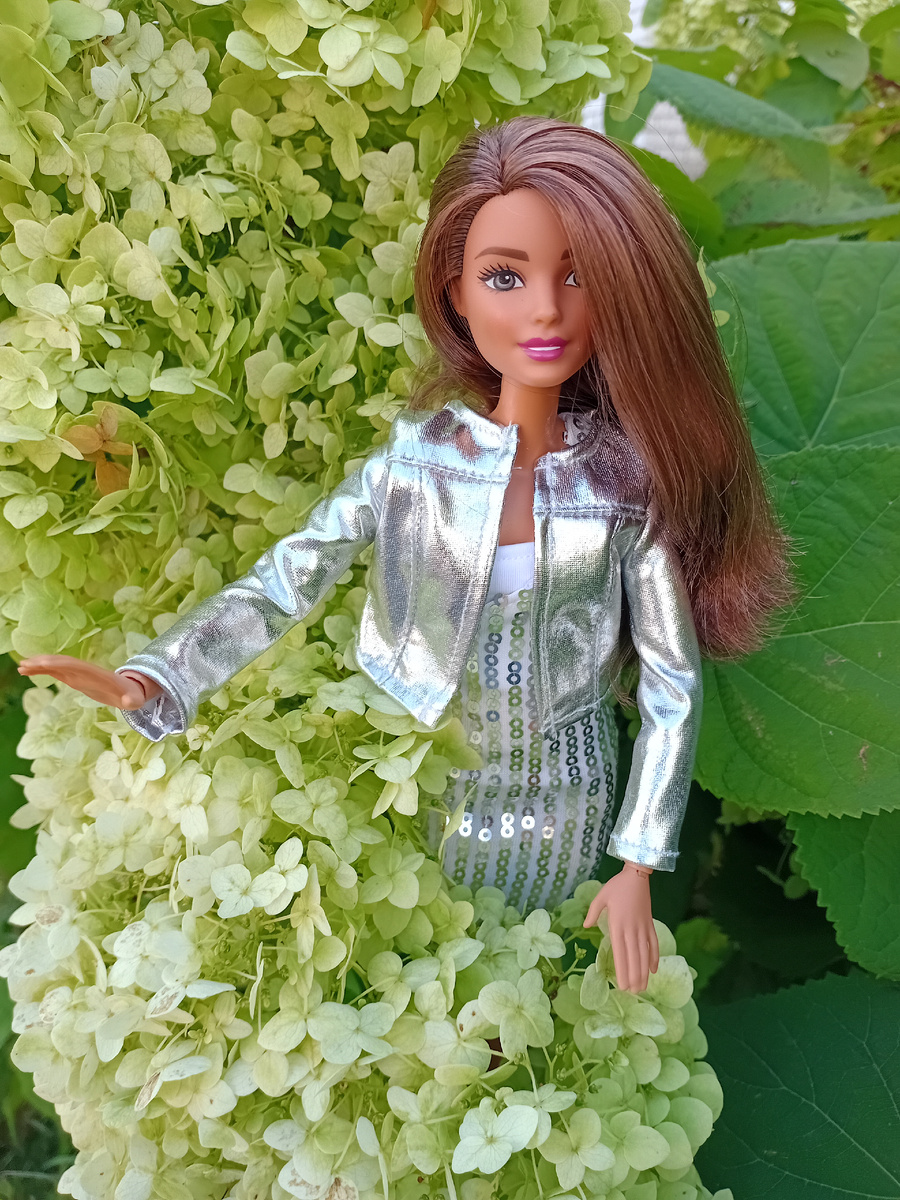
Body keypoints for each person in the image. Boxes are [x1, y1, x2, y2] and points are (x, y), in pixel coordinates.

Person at [16, 117, 792, 995]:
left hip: (569, 794)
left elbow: (671, 683)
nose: (545, 309)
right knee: (423, 971)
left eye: (579, 276)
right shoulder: (414, 466)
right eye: (506, 276)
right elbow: (288, 577)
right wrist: (160, 677)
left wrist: (639, 861)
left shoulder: (621, 487)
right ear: (455, 292)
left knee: (539, 986)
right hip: (425, 780)